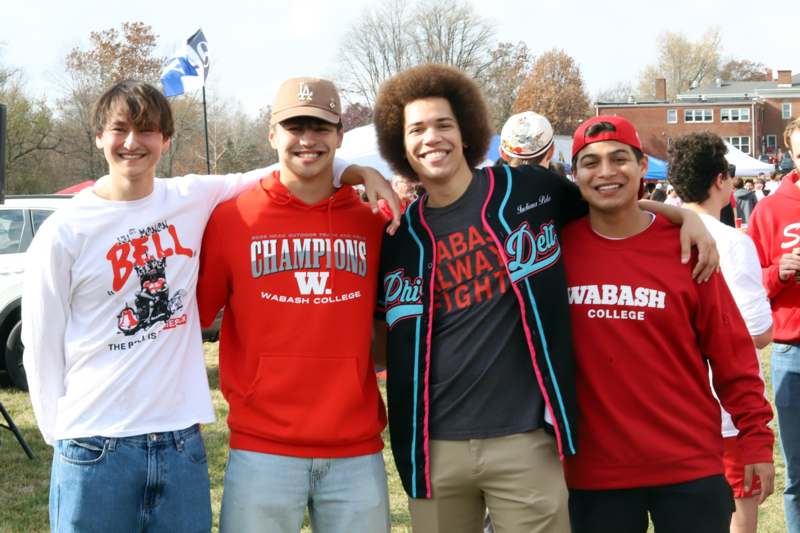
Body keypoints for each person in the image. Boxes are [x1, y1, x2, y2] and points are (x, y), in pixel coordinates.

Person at [21, 80, 398, 533]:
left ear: (165, 139)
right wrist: (58, 436)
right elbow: (39, 342)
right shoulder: (66, 230)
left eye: (146, 130)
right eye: (119, 129)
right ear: (99, 136)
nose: (132, 142)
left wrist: (357, 172)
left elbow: (294, 167)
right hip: (99, 440)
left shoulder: (191, 198)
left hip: (182, 441)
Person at [370, 64, 717, 533]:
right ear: (401, 143)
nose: (432, 138)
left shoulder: (531, 190)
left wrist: (680, 216)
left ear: (467, 132)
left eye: (443, 124)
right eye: (417, 129)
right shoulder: (398, 237)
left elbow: (609, 202)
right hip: (434, 448)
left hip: (525, 441)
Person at [196, 77, 391, 533]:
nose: (307, 139)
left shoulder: (372, 221)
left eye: (321, 127)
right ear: (272, 134)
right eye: (294, 126)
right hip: (262, 446)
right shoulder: (233, 218)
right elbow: (194, 320)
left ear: (340, 136)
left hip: (355, 447)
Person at [562, 116, 774, 533]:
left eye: (619, 158)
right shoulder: (553, 248)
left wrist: (756, 439)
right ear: (575, 176)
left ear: (643, 168)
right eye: (590, 162)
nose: (606, 172)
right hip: (594, 473)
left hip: (687, 465)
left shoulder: (688, 247)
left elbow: (732, 353)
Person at [668, 131, 774, 533]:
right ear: (719, 180)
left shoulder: (659, 234)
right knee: (740, 513)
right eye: (728, 173)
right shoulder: (731, 242)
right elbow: (759, 331)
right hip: (726, 408)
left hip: (677, 406)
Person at [748, 116, 800, 533]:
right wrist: (778, 271)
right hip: (791, 354)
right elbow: (751, 289)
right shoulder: (769, 210)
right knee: (797, 475)